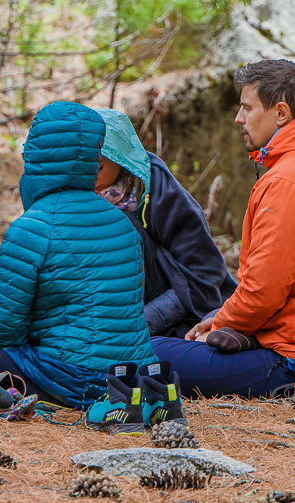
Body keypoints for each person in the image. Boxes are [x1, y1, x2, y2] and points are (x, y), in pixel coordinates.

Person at [151, 60, 295, 397]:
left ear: (281, 113)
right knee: (189, 331)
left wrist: (224, 324)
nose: (238, 118)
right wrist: (224, 317)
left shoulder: (290, 179)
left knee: (147, 352)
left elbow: (263, 292)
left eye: (247, 108)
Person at [0, 101, 154, 407]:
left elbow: (3, 334)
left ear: (36, 155)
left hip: (69, 379)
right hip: (133, 379)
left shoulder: (31, 229)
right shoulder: (125, 224)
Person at [91, 107, 236, 335]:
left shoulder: (160, 193)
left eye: (98, 167)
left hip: (181, 319)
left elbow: (204, 274)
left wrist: (139, 325)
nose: (90, 178)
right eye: (82, 169)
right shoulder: (72, 197)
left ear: (121, 158)